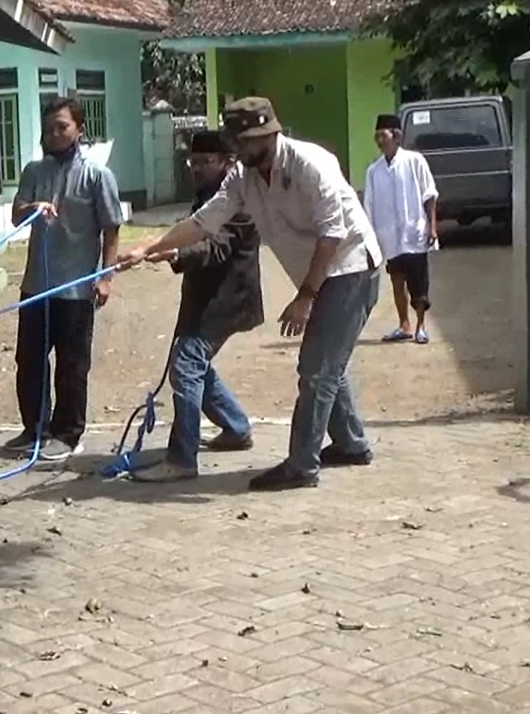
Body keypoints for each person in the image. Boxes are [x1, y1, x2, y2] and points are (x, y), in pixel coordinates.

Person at [119, 97, 384, 492]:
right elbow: (202, 223)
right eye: (235, 141)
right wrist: (148, 248)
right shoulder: (243, 177)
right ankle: (351, 445)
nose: (238, 150)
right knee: (330, 364)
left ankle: (301, 466)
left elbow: (333, 234)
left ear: (269, 135)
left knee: (316, 370)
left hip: (351, 269)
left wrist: (306, 296)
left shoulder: (312, 165)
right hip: (321, 275)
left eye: (244, 141)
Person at [132, 130, 263, 483]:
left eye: (208, 161)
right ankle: (236, 428)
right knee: (194, 365)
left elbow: (216, 247)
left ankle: (182, 458)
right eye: (195, 161)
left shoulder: (237, 200)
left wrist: (175, 253)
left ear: (227, 162)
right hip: (206, 299)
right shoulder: (206, 196)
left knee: (187, 364)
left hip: (229, 301)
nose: (198, 168)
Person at [3, 96, 124, 463]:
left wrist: (105, 278)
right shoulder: (33, 172)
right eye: (49, 127)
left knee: (72, 365)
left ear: (79, 130)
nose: (55, 134)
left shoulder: (97, 175)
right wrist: (32, 208)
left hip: (74, 287)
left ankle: (69, 435)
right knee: (30, 360)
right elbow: (15, 217)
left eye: (62, 127)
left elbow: (112, 228)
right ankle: (35, 428)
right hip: (36, 284)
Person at [363, 113, 439, 345]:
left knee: (418, 284)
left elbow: (430, 195)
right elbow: (369, 207)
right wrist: (371, 239)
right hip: (390, 237)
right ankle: (404, 325)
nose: (379, 140)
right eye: (376, 136)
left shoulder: (415, 161)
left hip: (414, 232)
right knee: (396, 282)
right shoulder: (373, 171)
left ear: (396, 136)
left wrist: (432, 226)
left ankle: (421, 326)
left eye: (383, 135)